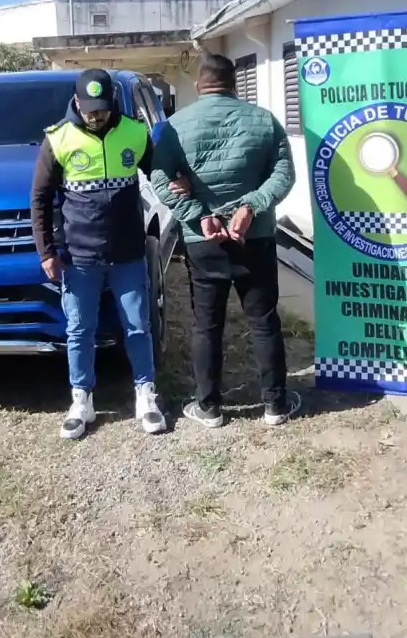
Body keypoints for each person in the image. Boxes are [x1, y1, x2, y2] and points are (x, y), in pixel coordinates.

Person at [150, 52, 298, 429]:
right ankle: (276, 406)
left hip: (203, 240)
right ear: (234, 83)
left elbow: (160, 183)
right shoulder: (265, 121)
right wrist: (251, 205)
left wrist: (200, 214)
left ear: (199, 84)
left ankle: (209, 407)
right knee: (264, 321)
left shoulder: (172, 127)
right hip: (256, 236)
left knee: (207, 324)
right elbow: (284, 175)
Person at [31, 68, 166, 439]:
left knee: (138, 326)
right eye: (89, 109)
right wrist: (47, 251)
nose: (96, 115)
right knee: (79, 329)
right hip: (79, 256)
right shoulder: (58, 139)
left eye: (102, 109)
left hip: (127, 252)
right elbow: (40, 200)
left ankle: (146, 394)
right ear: (76, 102)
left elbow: (161, 178)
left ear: (113, 103)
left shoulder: (136, 133)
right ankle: (81, 400)